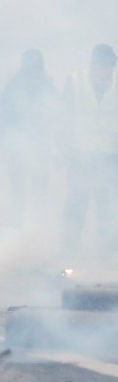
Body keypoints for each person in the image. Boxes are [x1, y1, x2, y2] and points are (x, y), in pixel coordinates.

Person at [59, 43, 118, 262]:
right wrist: (65, 151)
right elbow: (63, 118)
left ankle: (107, 255)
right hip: (80, 156)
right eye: (101, 67)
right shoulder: (76, 82)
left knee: (109, 208)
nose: (105, 73)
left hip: (111, 158)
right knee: (76, 205)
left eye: (109, 68)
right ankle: (69, 252)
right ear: (92, 65)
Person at [0, 49, 59, 213]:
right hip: (15, 148)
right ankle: (18, 225)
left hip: (40, 147)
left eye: (36, 68)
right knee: (18, 190)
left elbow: (58, 119)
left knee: (40, 189)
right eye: (29, 69)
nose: (32, 73)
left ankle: (38, 223)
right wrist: (0, 145)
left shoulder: (48, 88)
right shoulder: (12, 88)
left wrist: (57, 148)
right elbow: (1, 118)